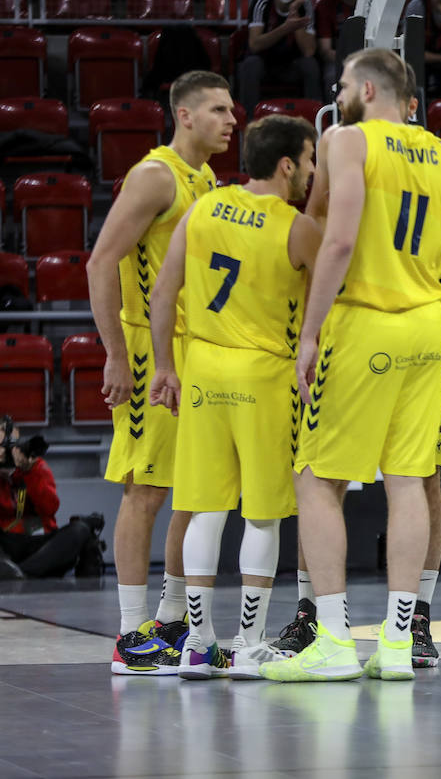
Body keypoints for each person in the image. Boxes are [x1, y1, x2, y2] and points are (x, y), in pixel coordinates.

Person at [261, 48, 441, 682]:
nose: (338, 94)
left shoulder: (347, 139)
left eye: (341, 85)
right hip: (427, 325)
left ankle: (332, 639)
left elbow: (338, 239)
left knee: (315, 478)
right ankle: (395, 642)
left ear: (365, 88)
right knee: (408, 481)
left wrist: (309, 333)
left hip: (364, 321)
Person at [146, 115, 320, 679]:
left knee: (205, 511)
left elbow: (163, 291)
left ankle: (199, 645)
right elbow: (333, 298)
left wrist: (165, 367)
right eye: (311, 160)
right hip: (262, 375)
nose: (314, 171)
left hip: (201, 368)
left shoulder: (202, 208)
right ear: (287, 164)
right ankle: (248, 645)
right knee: (264, 518)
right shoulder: (295, 227)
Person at [87, 70, 231, 675]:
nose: (231, 120)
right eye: (219, 110)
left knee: (193, 493)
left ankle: (171, 622)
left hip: (193, 350)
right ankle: (127, 635)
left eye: (233, 110)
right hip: (150, 353)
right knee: (145, 489)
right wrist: (117, 354)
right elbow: (101, 263)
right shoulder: (155, 175)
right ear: (186, 115)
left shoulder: (207, 179)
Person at [0, 426, 101, 579]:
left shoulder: (36, 467)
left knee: (80, 529)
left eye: (9, 445)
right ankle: (16, 571)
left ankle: (19, 572)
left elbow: (49, 508)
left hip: (39, 543)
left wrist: (29, 472)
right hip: (6, 543)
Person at [238, 0, 322, 115]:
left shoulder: (306, 5)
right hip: (263, 64)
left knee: (310, 64)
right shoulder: (262, 2)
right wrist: (286, 28)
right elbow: (255, 45)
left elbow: (309, 51)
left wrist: (294, 10)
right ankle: (248, 121)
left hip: (291, 65)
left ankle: (316, 119)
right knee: (251, 64)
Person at [316, 0, 360, 92]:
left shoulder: (372, 0)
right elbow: (326, 50)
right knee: (331, 75)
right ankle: (332, 113)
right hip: (338, 60)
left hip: (370, 56)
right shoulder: (325, 5)